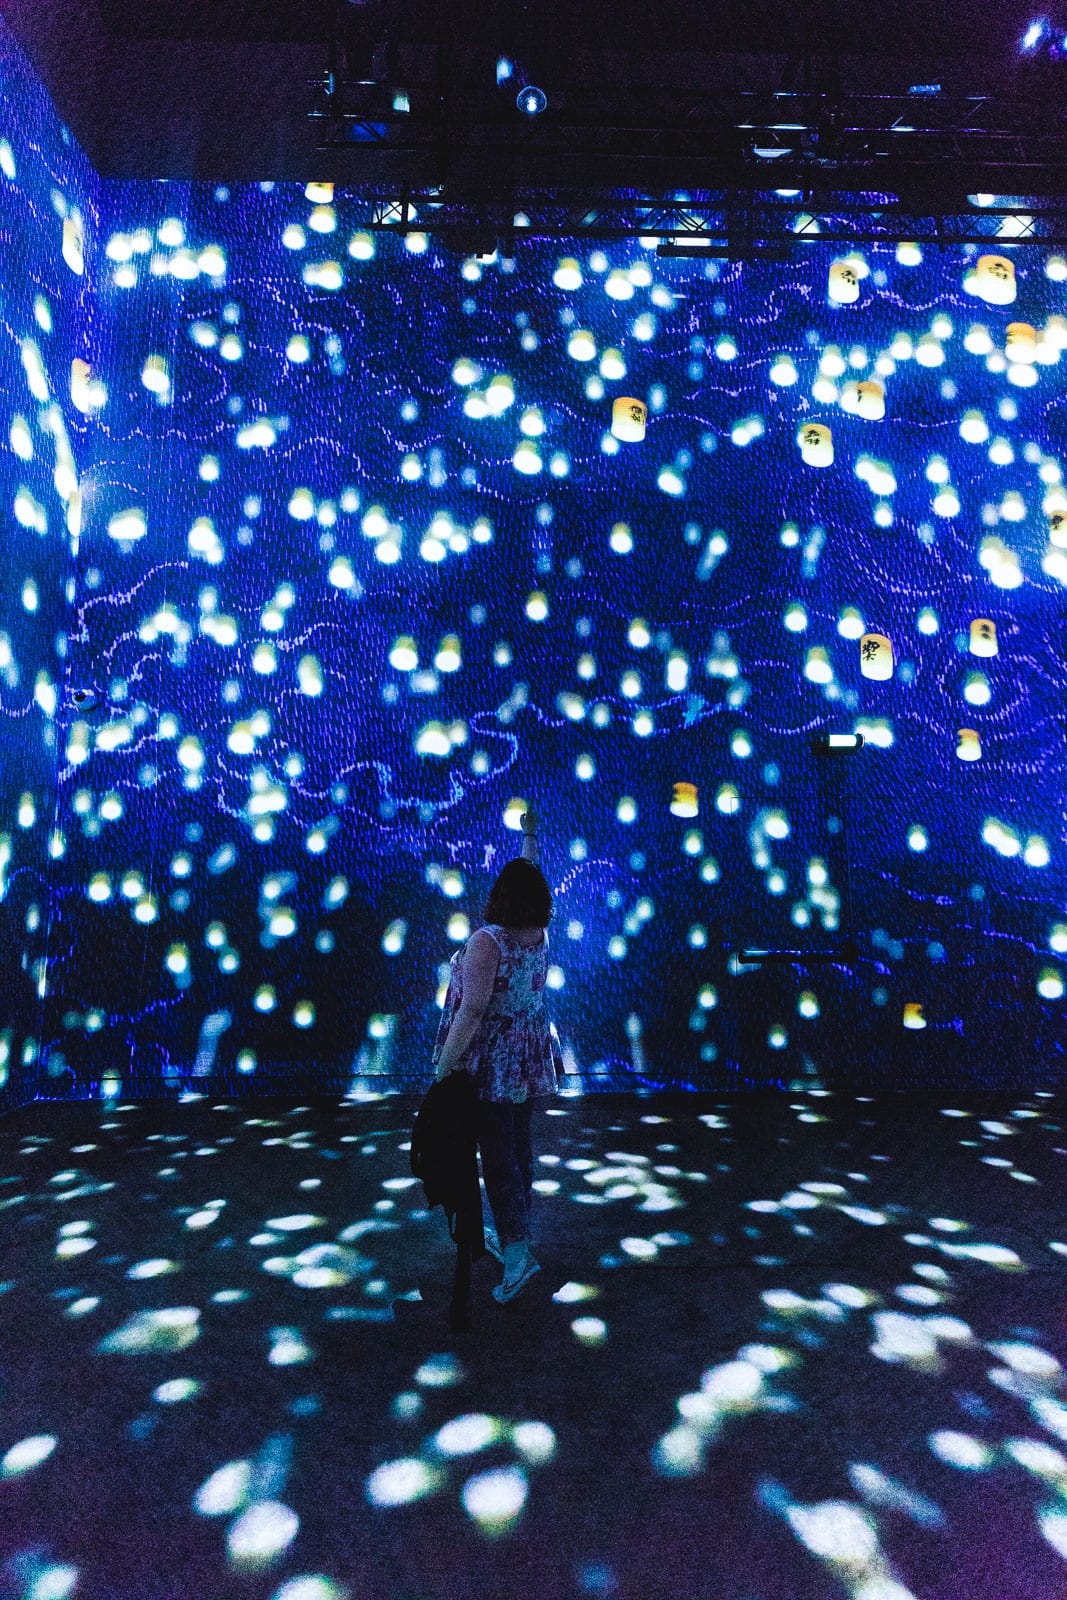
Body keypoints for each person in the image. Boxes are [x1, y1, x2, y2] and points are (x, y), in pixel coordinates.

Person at [431, 805, 563, 1304]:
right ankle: (518, 1237)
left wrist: (443, 1068)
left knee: (499, 1159)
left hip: (490, 1067)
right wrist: (531, 836)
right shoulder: (537, 935)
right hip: (524, 1061)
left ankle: (515, 1253)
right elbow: (531, 877)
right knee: (516, 1152)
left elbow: (473, 1012)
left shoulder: (489, 942)